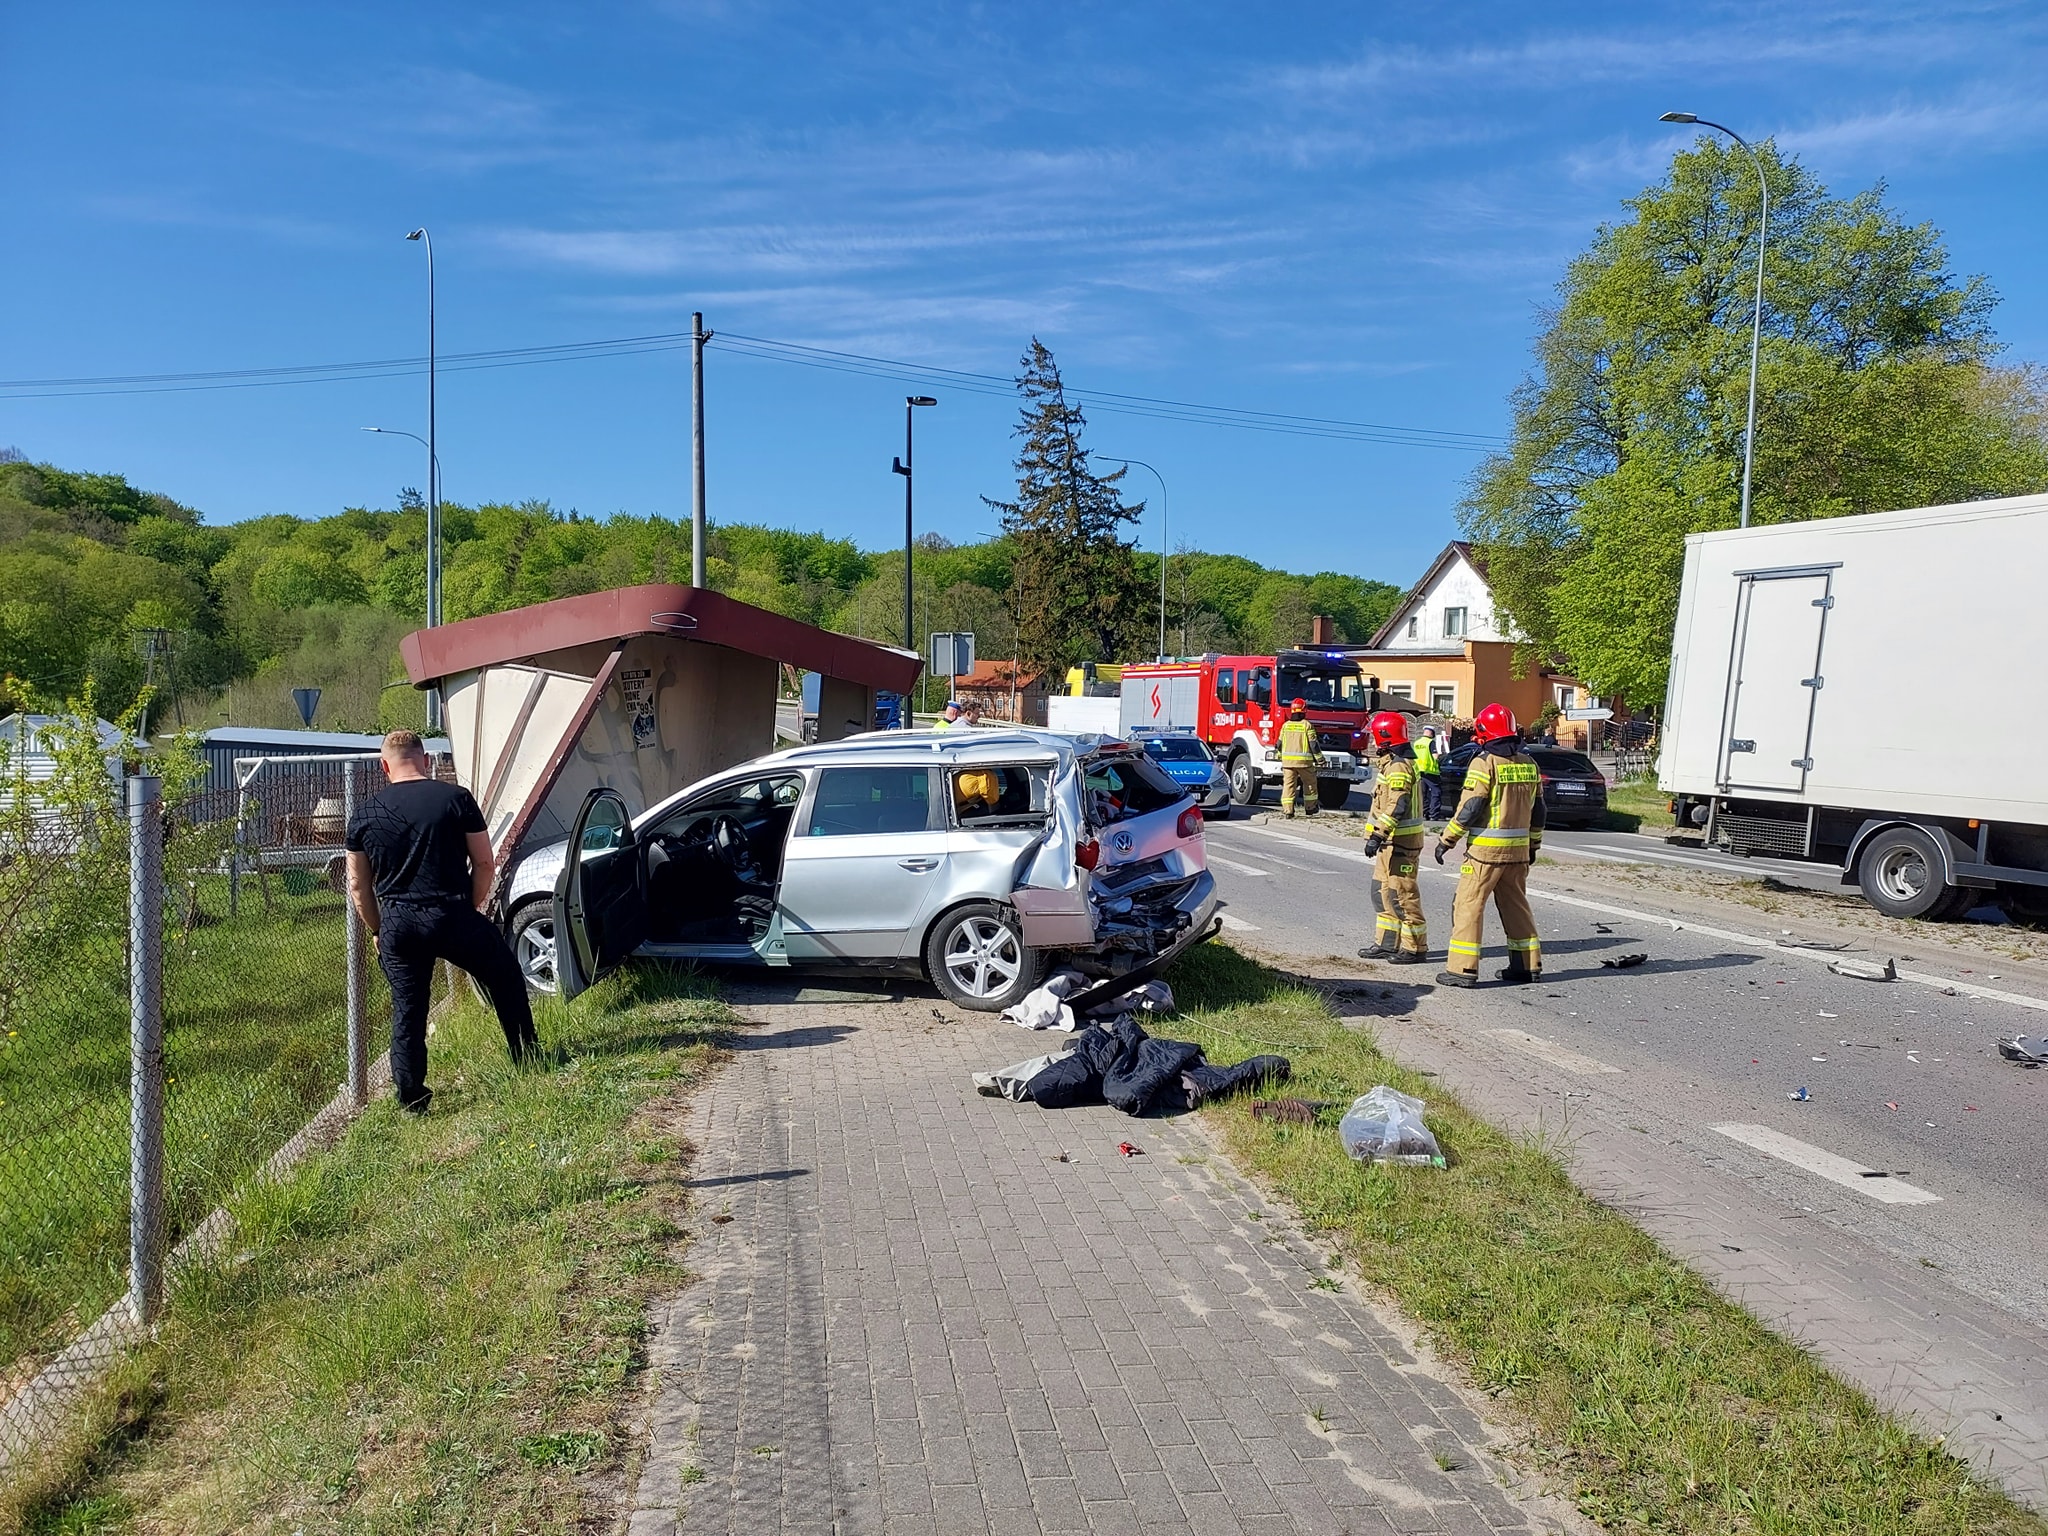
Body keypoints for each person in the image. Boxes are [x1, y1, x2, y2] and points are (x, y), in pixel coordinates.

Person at [345, 730, 539, 1112]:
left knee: (408, 1009)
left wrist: (378, 929)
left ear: (385, 766)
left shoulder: (365, 814)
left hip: (398, 921)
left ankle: (412, 1100)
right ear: (426, 760)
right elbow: (484, 863)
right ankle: (528, 1058)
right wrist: (469, 906)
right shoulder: (456, 799)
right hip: (451, 911)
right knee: (504, 977)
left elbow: (357, 885)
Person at [1433, 703, 1545, 988]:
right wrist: (1534, 844)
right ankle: (1527, 966)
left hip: (1485, 853)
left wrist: (1447, 840)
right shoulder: (1529, 764)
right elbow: (1539, 810)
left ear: (1483, 732)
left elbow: (1471, 807)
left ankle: (1462, 969)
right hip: (1518, 853)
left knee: (1468, 906)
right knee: (1516, 906)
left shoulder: (1484, 763)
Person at [1357, 710, 1428, 964]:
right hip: (1388, 844)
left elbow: (1397, 804)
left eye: (1375, 737)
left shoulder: (1398, 767)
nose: (1372, 742)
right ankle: (1387, 944)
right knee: (1382, 893)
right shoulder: (1390, 764)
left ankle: (1415, 948)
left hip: (1401, 844)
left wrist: (1377, 835)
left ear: (1385, 738)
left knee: (1403, 896)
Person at [1277, 698, 1320, 818]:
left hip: (1288, 763)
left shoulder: (1285, 726)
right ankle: (1310, 808)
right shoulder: (1307, 725)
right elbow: (1313, 745)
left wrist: (1279, 756)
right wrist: (1320, 759)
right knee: (1310, 784)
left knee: (1288, 786)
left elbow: (1279, 744)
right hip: (1304, 763)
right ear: (1304, 711)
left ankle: (1288, 811)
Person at [1414, 725, 1444, 820]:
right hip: (1430, 772)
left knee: (1423, 793)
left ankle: (1423, 813)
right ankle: (1434, 815)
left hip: (1419, 771)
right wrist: (1441, 754)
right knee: (1436, 793)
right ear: (1431, 733)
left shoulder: (1416, 743)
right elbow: (1435, 757)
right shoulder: (1431, 742)